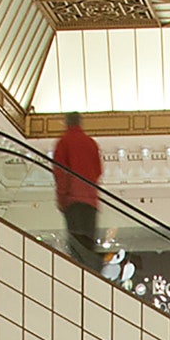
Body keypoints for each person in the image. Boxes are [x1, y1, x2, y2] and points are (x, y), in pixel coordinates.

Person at [53, 110, 104, 270]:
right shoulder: (90, 142)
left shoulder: (64, 142)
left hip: (73, 199)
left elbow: (60, 173)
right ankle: (92, 275)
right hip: (91, 200)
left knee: (76, 243)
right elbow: (98, 170)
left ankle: (78, 276)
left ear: (67, 123)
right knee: (88, 242)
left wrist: (62, 199)